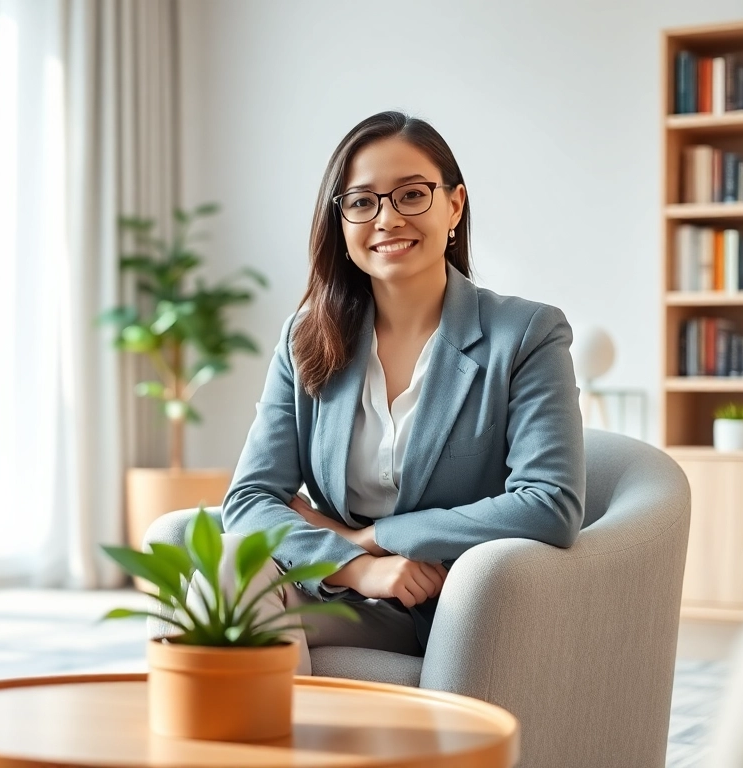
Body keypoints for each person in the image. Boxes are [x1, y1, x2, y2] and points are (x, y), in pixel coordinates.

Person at [220, 110, 586, 675]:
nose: (387, 218)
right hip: (339, 593)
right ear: (341, 223)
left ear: (454, 206)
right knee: (228, 570)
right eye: (363, 202)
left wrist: (374, 537)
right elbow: (248, 501)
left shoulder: (526, 335)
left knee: (222, 605)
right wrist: (353, 563)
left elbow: (548, 504)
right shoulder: (307, 337)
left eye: (411, 195)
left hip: (446, 604)